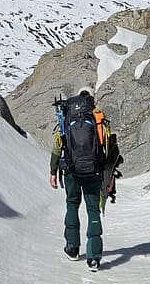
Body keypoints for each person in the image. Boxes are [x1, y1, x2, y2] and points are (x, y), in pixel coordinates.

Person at [50, 87, 122, 272]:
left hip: (71, 172)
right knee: (93, 211)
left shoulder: (67, 116)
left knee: (72, 204)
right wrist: (109, 178)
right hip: (94, 173)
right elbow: (107, 147)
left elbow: (58, 145)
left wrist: (52, 171)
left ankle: (73, 248)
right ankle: (93, 258)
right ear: (92, 99)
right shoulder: (98, 118)